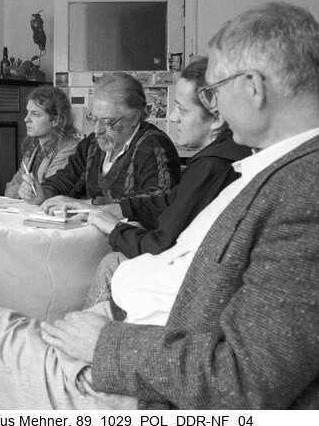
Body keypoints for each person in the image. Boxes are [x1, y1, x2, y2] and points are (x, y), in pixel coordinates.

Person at [0, 2, 319, 409]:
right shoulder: (274, 169)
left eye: (214, 92)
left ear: (254, 87)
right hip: (132, 331)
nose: (213, 108)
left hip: (134, 387)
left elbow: (246, 379)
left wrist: (105, 343)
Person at [84, 58, 252, 277]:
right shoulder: (220, 157)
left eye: (181, 110)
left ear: (216, 118)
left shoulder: (212, 166)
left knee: (111, 264)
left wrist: (115, 229)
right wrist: (123, 209)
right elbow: (171, 201)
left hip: (188, 278)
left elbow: (161, 246)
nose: (172, 118)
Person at [21, 73, 181, 214]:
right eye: (94, 119)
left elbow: (160, 200)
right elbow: (67, 179)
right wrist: (44, 193)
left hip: (136, 242)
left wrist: (87, 205)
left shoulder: (153, 145)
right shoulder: (92, 144)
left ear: (134, 117)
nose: (97, 130)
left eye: (107, 121)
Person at [4, 86, 79, 199]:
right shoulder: (35, 146)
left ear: (55, 120)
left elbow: (49, 190)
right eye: (28, 112)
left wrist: (23, 191)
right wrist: (21, 191)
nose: (26, 119)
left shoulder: (69, 149)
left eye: (35, 114)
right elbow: (9, 189)